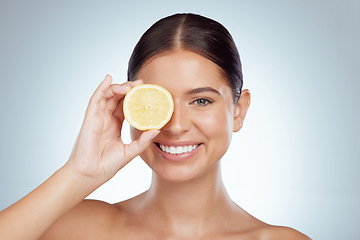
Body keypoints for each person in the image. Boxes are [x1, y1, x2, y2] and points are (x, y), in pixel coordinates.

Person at [0, 13, 310, 239]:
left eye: (201, 101)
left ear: (238, 111)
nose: (175, 126)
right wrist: (78, 174)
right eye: (158, 102)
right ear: (131, 106)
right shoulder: (75, 228)